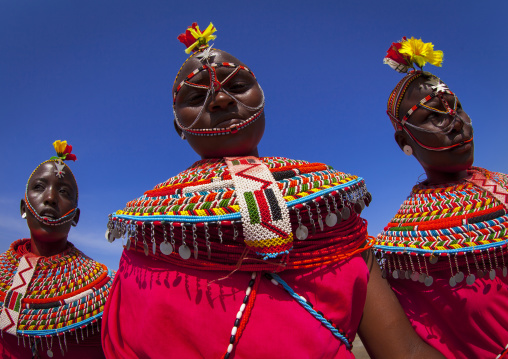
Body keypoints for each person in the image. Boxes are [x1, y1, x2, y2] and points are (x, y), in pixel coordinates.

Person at [102, 24, 443, 358]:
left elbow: (406, 351)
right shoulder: (148, 233)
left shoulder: (332, 212)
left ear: (263, 98)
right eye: (196, 96)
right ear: (178, 123)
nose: (220, 98)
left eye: (237, 84)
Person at [374, 37, 508, 358]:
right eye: (433, 116)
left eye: (457, 108)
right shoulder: (403, 245)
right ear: (403, 141)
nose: (456, 124)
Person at [0, 141, 114, 358]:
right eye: (39, 187)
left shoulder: (105, 288)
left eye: (63, 192)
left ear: (76, 217)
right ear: (24, 207)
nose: (50, 198)